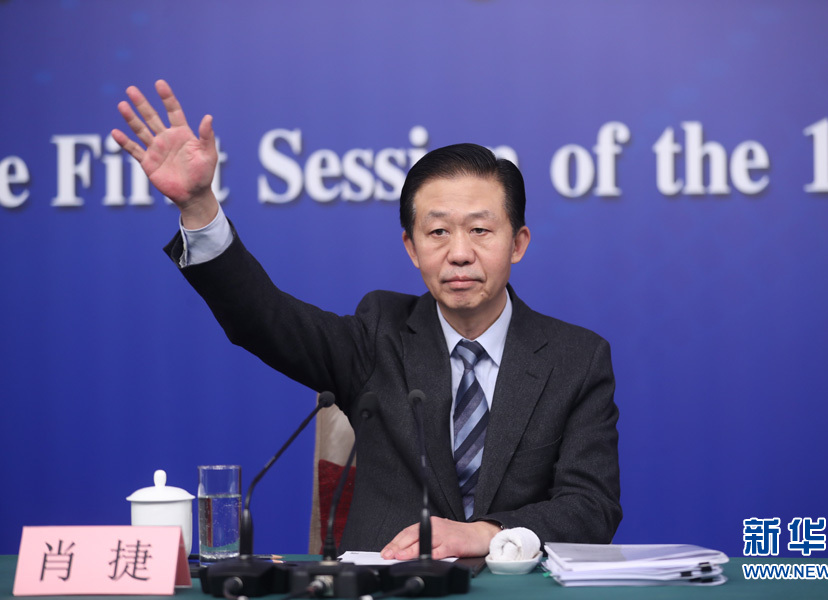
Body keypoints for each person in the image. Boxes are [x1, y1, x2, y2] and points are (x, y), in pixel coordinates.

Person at [112, 80, 621, 560]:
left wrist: (483, 534)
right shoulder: (380, 333)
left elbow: (592, 505)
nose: (460, 253)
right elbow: (262, 318)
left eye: (480, 230)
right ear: (411, 248)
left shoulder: (577, 359)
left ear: (518, 243)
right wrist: (200, 206)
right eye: (438, 232)